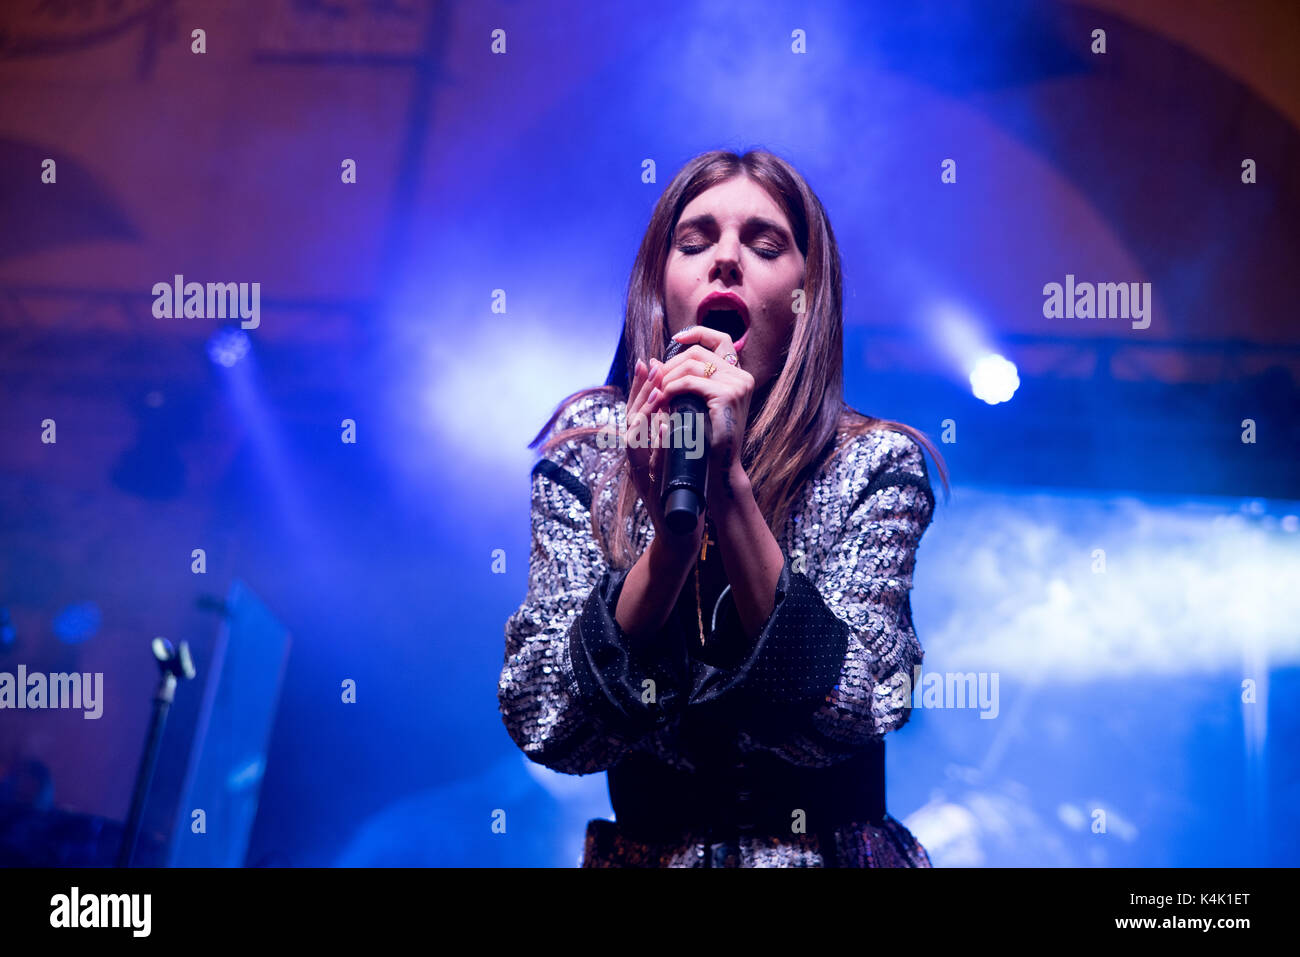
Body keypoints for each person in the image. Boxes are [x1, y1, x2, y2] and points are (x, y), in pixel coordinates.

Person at [499, 148, 950, 867]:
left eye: (765, 244)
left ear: (810, 295)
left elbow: (858, 701)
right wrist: (668, 552)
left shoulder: (875, 461)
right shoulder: (591, 449)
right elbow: (545, 714)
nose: (727, 259)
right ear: (660, 283)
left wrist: (728, 486)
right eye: (695, 240)